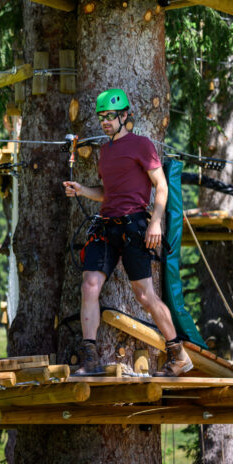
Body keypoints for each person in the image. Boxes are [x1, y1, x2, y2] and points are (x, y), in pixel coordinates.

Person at [62, 88, 193, 377]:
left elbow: (161, 186)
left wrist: (156, 222)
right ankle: (91, 359)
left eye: (110, 116)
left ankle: (178, 353)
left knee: (144, 295)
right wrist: (82, 190)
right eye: (101, 117)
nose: (105, 122)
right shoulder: (105, 152)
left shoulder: (142, 145)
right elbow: (107, 193)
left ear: (125, 116)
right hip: (106, 226)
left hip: (135, 226)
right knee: (89, 286)